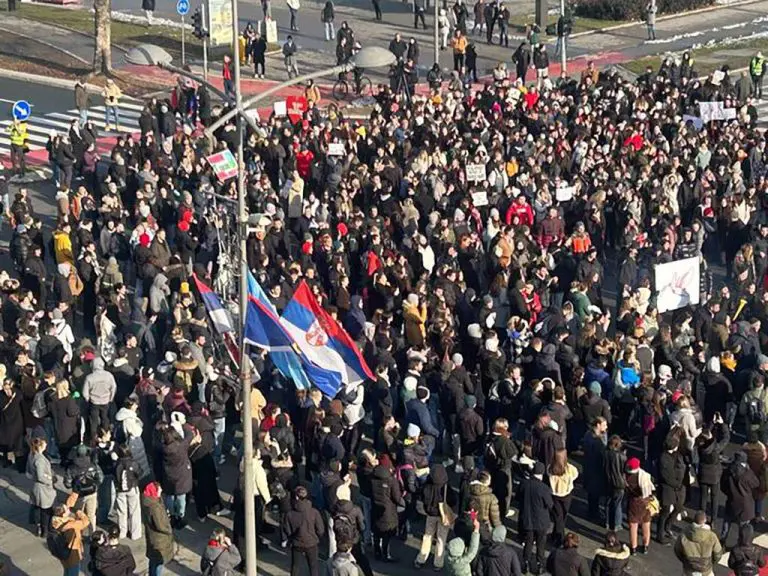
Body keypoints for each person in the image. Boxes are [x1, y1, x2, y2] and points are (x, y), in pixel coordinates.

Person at [415, 463, 455, 569]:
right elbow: (453, 501)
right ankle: (438, 563)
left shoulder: (427, 486)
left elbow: (422, 499)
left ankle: (421, 559)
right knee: (441, 539)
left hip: (430, 515)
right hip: (443, 517)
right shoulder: (446, 487)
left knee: (427, 536)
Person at [518, 462, 553, 575]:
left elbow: (517, 497)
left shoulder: (523, 484)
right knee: (541, 544)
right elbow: (550, 504)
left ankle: (526, 563)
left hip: (527, 519)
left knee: (528, 542)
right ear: (542, 474)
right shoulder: (544, 488)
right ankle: (539, 565)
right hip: (541, 521)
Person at [282, 486, 325, 576]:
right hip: (311, 542)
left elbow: (286, 529)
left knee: (295, 566)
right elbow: (320, 529)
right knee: (313, 566)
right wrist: (316, 537)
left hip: (296, 542)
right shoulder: (314, 512)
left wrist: (291, 538)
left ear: (296, 497)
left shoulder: (289, 514)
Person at [720, 451, 759, 544]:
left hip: (731, 501)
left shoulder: (728, 471)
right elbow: (756, 483)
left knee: (726, 524)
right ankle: (740, 544)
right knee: (743, 528)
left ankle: (722, 542)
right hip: (745, 505)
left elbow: (723, 486)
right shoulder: (747, 474)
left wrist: (730, 494)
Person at [50, 492, 91, 576]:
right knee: (73, 572)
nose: (69, 510)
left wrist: (75, 493)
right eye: (67, 509)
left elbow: (68, 504)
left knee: (67, 571)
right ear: (64, 514)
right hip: (73, 554)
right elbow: (86, 521)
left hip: (62, 552)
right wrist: (79, 512)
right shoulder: (71, 524)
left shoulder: (55, 521)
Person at [673, 510, 722, 576]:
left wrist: (685, 561)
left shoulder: (684, 534)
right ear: (705, 520)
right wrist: (710, 563)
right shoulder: (712, 536)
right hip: (706, 571)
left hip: (689, 570)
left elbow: (677, 550)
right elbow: (718, 554)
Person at [141, 481, 175, 576]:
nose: (161, 490)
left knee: (153, 561)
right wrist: (169, 529)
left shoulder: (149, 501)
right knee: (159, 562)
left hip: (152, 537)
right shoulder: (154, 507)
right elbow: (160, 525)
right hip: (159, 539)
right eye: (159, 489)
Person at [548, 448, 578, 548]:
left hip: (555, 496)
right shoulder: (569, 469)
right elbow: (576, 475)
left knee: (558, 517)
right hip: (566, 495)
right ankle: (559, 539)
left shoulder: (550, 468)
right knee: (562, 517)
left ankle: (554, 535)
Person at [27, 437, 56, 538]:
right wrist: (49, 479)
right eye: (44, 444)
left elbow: (28, 472)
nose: (46, 445)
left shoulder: (31, 455)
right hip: (43, 489)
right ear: (40, 446)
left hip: (35, 487)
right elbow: (40, 475)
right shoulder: (40, 459)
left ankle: (38, 527)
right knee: (46, 510)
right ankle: (45, 530)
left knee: (37, 507)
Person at [625, 457, 653, 555]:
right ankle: (645, 546)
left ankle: (633, 548)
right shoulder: (644, 476)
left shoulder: (627, 476)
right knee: (646, 524)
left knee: (633, 525)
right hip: (645, 502)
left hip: (633, 502)